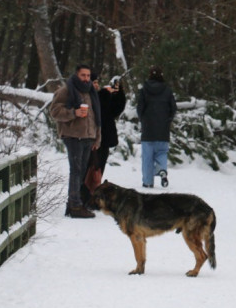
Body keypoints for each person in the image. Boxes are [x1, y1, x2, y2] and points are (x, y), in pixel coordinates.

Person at [49, 64, 101, 219]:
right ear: (76, 75)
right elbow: (55, 111)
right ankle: (75, 206)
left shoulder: (91, 91)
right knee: (76, 170)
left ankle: (73, 203)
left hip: (88, 137)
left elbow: (96, 117)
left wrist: (97, 137)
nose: (86, 78)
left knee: (82, 171)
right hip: (73, 136)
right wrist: (74, 112)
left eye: (88, 75)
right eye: (83, 75)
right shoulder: (66, 90)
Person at [80, 73, 127, 209]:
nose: (96, 85)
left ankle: (93, 198)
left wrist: (119, 94)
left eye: (97, 82)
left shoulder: (101, 96)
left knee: (97, 170)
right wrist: (105, 94)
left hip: (103, 139)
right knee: (87, 171)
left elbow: (113, 110)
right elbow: (96, 109)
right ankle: (83, 198)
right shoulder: (87, 96)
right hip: (89, 139)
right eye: (93, 82)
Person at [137, 66, 177, 188]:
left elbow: (140, 109)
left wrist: (144, 120)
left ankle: (148, 182)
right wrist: (167, 120)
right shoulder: (167, 90)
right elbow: (173, 109)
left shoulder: (144, 90)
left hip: (148, 130)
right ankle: (162, 170)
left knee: (147, 158)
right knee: (162, 153)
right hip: (163, 130)